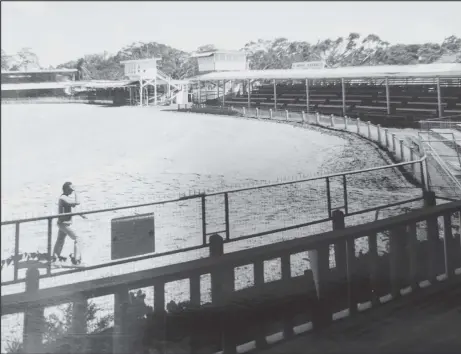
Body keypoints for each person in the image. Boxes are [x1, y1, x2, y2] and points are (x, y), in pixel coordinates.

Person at [52, 182, 82, 265]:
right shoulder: (63, 198)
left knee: (60, 240)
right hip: (63, 224)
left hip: (63, 223)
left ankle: (55, 258)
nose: (71, 191)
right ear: (65, 189)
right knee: (77, 238)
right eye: (70, 190)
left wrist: (81, 214)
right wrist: (76, 192)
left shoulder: (65, 198)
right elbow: (77, 202)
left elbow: (73, 206)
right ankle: (76, 260)